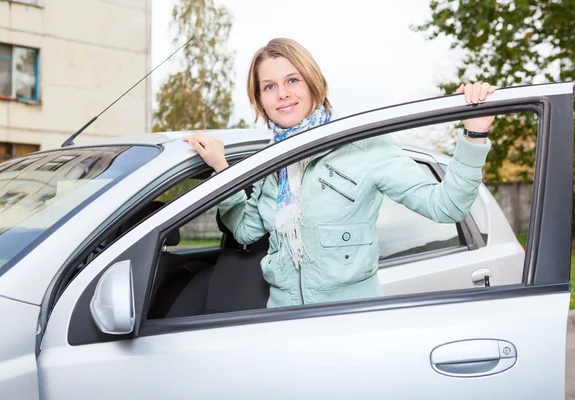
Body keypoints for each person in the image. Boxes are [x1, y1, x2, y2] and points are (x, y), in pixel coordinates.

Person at [183, 38, 496, 308]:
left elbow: (447, 206)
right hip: (280, 321)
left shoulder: (363, 147)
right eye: (269, 86)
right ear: (260, 100)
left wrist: (475, 136)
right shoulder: (270, 163)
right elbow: (245, 230)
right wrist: (222, 171)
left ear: (312, 82)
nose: (282, 93)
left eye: (293, 80)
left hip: (350, 321)